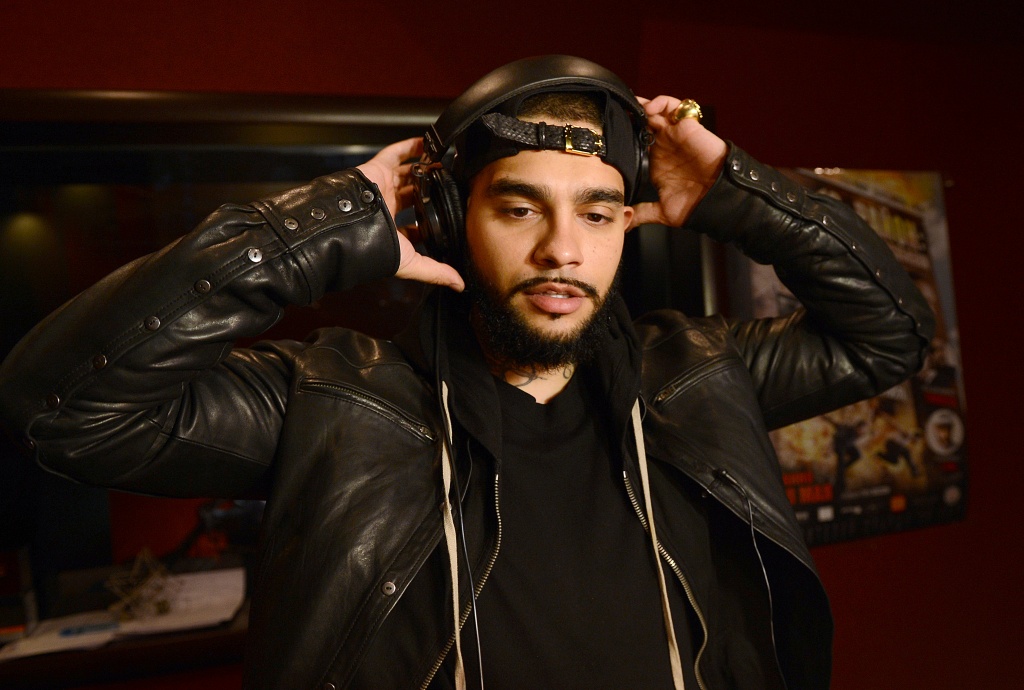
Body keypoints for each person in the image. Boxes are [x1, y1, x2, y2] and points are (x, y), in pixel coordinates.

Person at [0, 56, 934, 689]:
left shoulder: (699, 375)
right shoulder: (334, 401)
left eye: (598, 213)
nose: (563, 249)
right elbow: (61, 406)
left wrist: (739, 195)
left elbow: (890, 333)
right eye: (520, 209)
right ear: (448, 222)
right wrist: (323, 227)